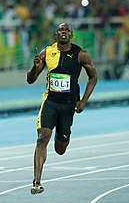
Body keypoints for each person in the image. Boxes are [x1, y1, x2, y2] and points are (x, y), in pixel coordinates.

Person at [26, 23, 98, 194]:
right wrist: (35, 67)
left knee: (60, 149)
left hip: (68, 106)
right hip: (50, 102)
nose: (63, 32)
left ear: (71, 35)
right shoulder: (47, 52)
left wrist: (83, 101)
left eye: (66, 30)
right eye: (60, 30)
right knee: (42, 138)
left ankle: (63, 133)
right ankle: (36, 182)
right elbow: (30, 79)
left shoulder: (81, 54)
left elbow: (93, 77)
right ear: (56, 34)